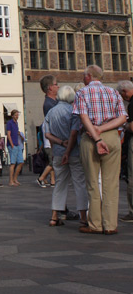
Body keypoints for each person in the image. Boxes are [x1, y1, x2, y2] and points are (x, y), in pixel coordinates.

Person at [72, 65, 127, 235]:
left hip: (90, 137)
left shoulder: (82, 93)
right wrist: (103, 129)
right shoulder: (114, 92)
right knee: (111, 182)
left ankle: (95, 224)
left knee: (93, 182)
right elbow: (123, 117)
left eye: (83, 76)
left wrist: (96, 135)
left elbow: (83, 116)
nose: (83, 78)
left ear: (89, 76)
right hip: (112, 136)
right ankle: (110, 225)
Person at [44, 85, 88, 228]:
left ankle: (54, 216)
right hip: (74, 152)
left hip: (57, 152)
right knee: (79, 184)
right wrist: (68, 150)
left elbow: (47, 134)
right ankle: (83, 217)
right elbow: (74, 134)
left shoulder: (51, 112)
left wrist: (60, 143)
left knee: (60, 184)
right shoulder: (73, 111)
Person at [116, 80, 133, 222]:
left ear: (124, 92)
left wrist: (125, 124)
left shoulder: (132, 103)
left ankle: (132, 211)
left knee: (131, 176)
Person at [37, 75, 58, 187]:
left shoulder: (55, 101)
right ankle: (42, 178)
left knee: (54, 162)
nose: (58, 86)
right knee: (53, 162)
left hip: (54, 141)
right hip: (53, 141)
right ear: (50, 88)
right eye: (56, 84)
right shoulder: (49, 104)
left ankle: (53, 180)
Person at [6, 110, 23, 186]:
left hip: (17, 144)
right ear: (12, 115)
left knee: (21, 162)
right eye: (16, 115)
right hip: (12, 145)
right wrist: (12, 144)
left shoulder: (16, 123)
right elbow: (8, 134)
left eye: (17, 115)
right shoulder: (9, 123)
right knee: (13, 163)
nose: (17, 116)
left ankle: (15, 178)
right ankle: (11, 181)